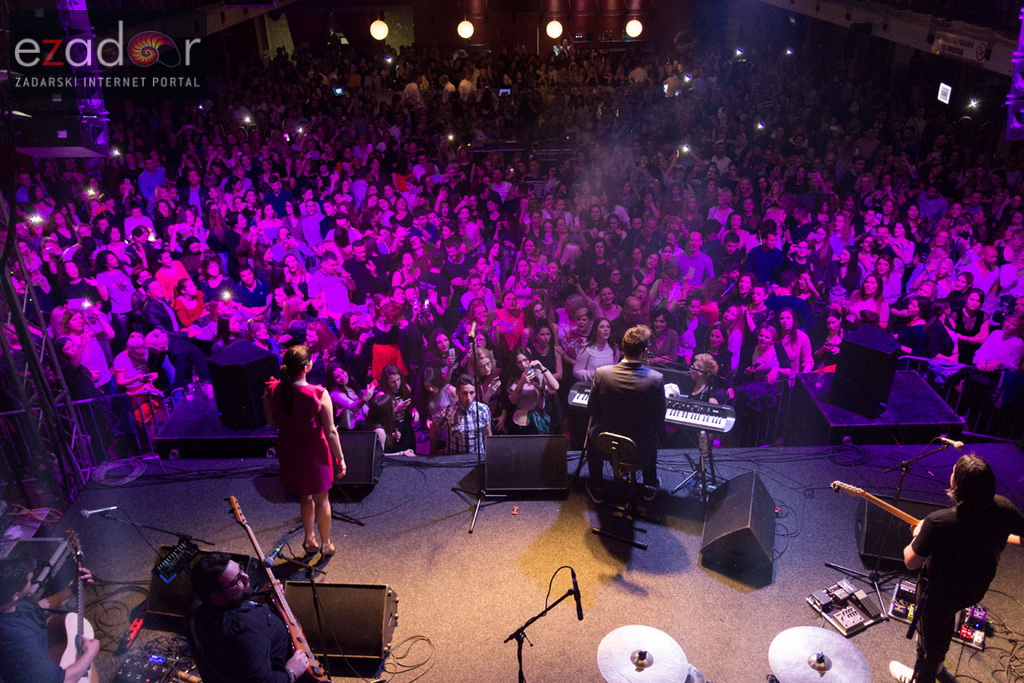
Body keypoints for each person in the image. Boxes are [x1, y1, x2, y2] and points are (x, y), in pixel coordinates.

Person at [889, 455, 1024, 683]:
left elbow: (911, 561)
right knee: (945, 622)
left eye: (953, 472)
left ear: (957, 485)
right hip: (975, 588)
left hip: (938, 594)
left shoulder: (939, 522)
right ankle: (939, 666)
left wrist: (917, 535)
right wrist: (997, 535)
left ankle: (925, 675)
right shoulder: (1003, 506)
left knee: (930, 638)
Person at [263, 345, 346, 557]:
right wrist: (341, 459)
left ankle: (309, 539)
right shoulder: (318, 393)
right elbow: (331, 432)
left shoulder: (274, 389)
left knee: (304, 495)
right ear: (307, 367)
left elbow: (271, 422)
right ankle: (326, 543)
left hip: (290, 449)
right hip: (314, 451)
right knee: (322, 499)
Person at [188, 552, 310, 683]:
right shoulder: (246, 631)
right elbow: (261, 680)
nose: (246, 577)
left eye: (241, 569)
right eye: (237, 580)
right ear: (217, 597)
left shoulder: (198, 608)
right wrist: (291, 673)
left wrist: (258, 598)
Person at [586, 325, 665, 503]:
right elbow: (659, 418)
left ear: (623, 346)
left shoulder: (602, 374)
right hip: (640, 447)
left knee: (592, 434)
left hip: (607, 444)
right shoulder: (656, 378)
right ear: (644, 352)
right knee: (652, 434)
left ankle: (597, 487)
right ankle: (649, 486)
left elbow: (592, 410)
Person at [0, 556, 99, 683]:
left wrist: (73, 589)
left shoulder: (8, 605)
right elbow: (62, 680)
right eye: (29, 580)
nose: (32, 580)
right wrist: (90, 653)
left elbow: (36, 609)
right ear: (15, 596)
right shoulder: (20, 640)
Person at [430, 374, 493, 455]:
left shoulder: (483, 410)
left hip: (476, 458)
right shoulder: (447, 411)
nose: (468, 398)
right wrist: (434, 451)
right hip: (454, 459)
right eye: (464, 393)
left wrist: (489, 455)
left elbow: (487, 434)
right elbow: (433, 430)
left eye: (472, 393)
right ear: (457, 392)